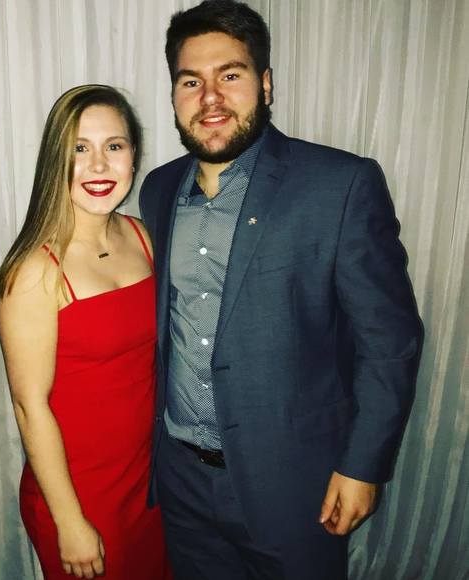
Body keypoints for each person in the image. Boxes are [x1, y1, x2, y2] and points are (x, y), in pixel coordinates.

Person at [139, 2, 422, 579]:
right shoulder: (158, 189)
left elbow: (389, 342)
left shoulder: (340, 184)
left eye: (230, 74)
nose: (210, 97)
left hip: (296, 486)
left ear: (265, 84)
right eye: (191, 81)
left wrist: (362, 465)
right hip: (182, 484)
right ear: (173, 94)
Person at [0, 85, 170, 580]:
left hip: (150, 484)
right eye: (79, 148)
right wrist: (69, 522)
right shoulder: (33, 271)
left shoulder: (143, 236)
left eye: (114, 146)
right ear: (56, 160)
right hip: (80, 495)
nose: (98, 165)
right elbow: (30, 406)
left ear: (133, 156)